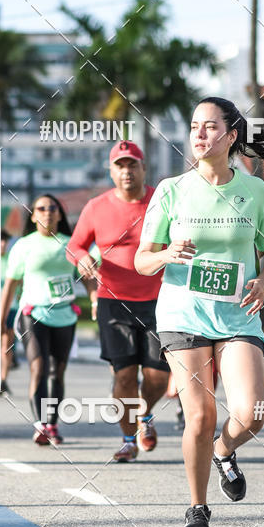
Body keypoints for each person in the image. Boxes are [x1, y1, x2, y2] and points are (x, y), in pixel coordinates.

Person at [135, 96, 264, 527]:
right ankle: (197, 507)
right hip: (182, 312)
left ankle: (223, 450)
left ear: (231, 136)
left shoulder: (254, 191)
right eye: (194, 126)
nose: (199, 134)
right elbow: (141, 260)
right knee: (200, 414)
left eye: (210, 126)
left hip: (237, 314)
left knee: (252, 413)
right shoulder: (172, 190)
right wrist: (166, 254)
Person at [66, 140, 170, 463]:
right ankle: (128, 440)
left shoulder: (161, 201)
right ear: (112, 171)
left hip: (158, 302)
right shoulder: (96, 207)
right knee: (124, 376)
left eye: (132, 165)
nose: (127, 171)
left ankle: (145, 413)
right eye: (120, 166)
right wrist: (82, 259)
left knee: (158, 378)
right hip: (114, 302)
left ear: (143, 168)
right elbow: (74, 246)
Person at [0, 194, 89, 445]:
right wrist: (1, 320)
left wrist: (94, 300)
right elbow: (10, 284)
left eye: (52, 208)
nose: (47, 212)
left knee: (57, 372)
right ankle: (40, 424)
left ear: (60, 214)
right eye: (41, 208)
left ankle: (52, 423)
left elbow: (87, 274)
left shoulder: (71, 244)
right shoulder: (24, 245)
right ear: (33, 215)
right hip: (34, 314)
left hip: (65, 315)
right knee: (38, 367)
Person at [0, 229, 19, 396]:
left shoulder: (13, 260)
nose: (2, 244)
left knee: (7, 345)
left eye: (4, 240)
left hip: (11, 308)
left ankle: (2, 380)